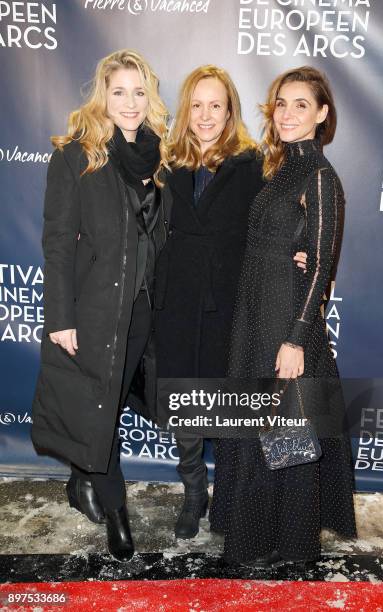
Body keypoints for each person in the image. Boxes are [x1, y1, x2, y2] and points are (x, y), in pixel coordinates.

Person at [210, 66, 357, 566]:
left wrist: (296, 338)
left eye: (302, 104)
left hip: (283, 321)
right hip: (255, 312)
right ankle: (249, 524)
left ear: (322, 114)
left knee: (282, 426)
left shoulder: (319, 176)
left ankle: (285, 542)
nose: (289, 113)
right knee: (257, 421)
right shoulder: (280, 169)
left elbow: (321, 266)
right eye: (281, 103)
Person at [154, 65, 307, 539]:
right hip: (175, 304)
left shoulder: (252, 164)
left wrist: (298, 251)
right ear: (186, 110)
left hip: (232, 306)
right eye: (196, 104)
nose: (205, 115)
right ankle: (193, 491)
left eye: (215, 105)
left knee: (230, 406)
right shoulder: (164, 164)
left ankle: (233, 498)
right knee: (185, 404)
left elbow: (276, 223)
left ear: (229, 111)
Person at [31, 49, 170, 562]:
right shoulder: (77, 154)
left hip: (141, 313)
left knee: (104, 405)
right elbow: (58, 242)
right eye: (119, 91)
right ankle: (115, 509)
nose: (130, 102)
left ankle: (80, 477)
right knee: (100, 405)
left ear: (149, 97)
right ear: (102, 97)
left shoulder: (159, 157)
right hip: (92, 310)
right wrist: (60, 317)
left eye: (139, 91)